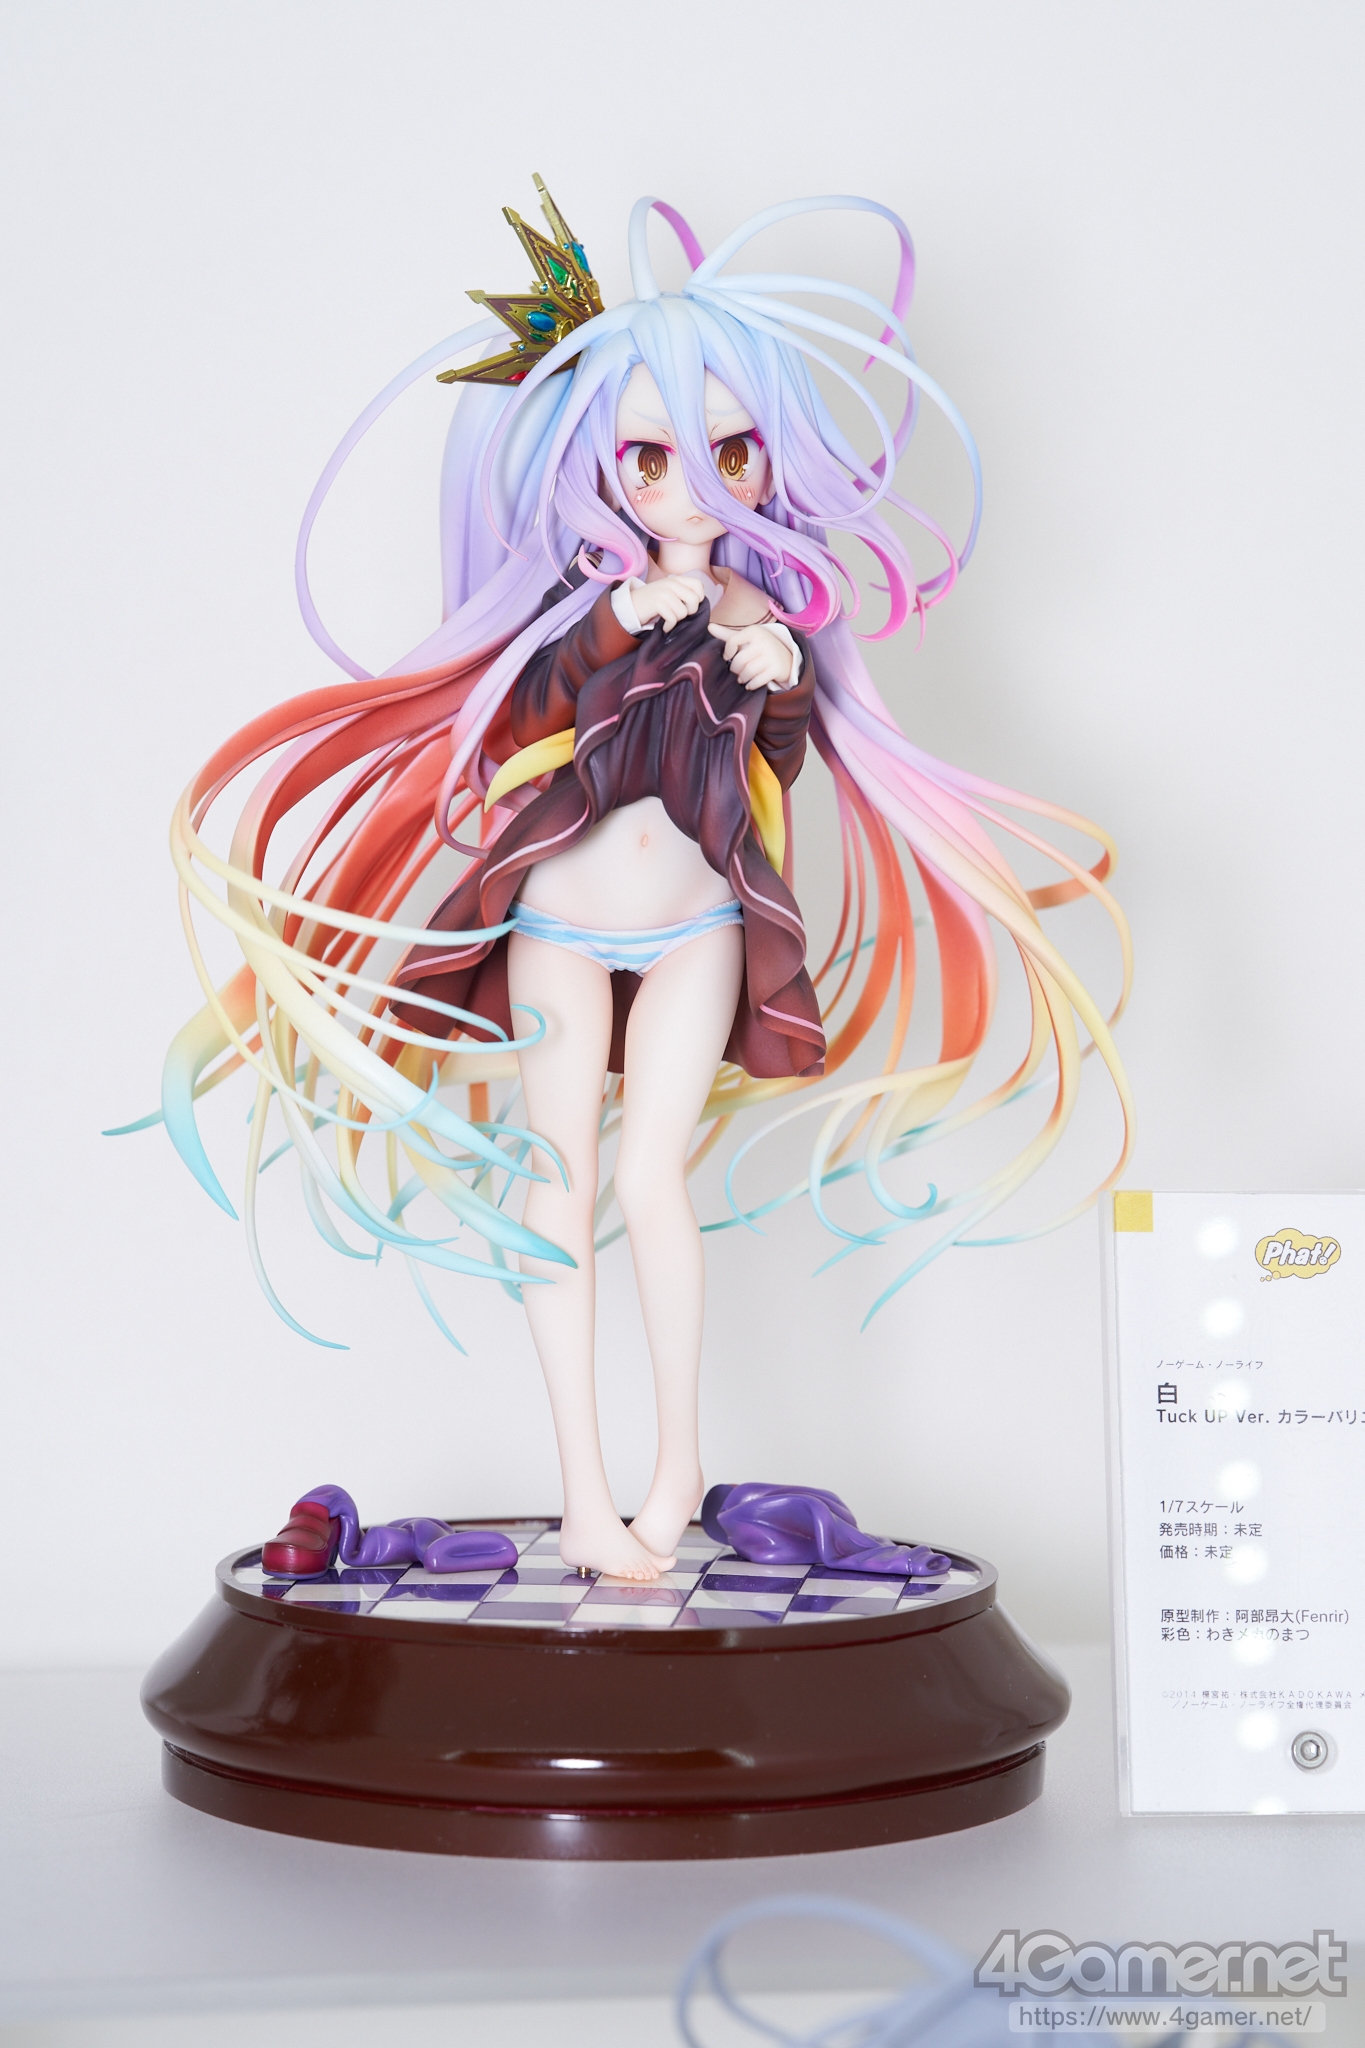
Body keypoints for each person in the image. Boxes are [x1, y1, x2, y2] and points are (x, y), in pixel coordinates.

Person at [157, 183, 1133, 1580]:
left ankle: (675, 1466)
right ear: (596, 468)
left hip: (698, 927)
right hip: (561, 924)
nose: (692, 488)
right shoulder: (580, 605)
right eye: (654, 459)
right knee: (559, 1183)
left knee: (653, 1179)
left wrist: (778, 683)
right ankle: (584, 1490)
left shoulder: (763, 608)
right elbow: (517, 717)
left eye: (730, 453)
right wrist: (615, 621)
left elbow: (772, 773)